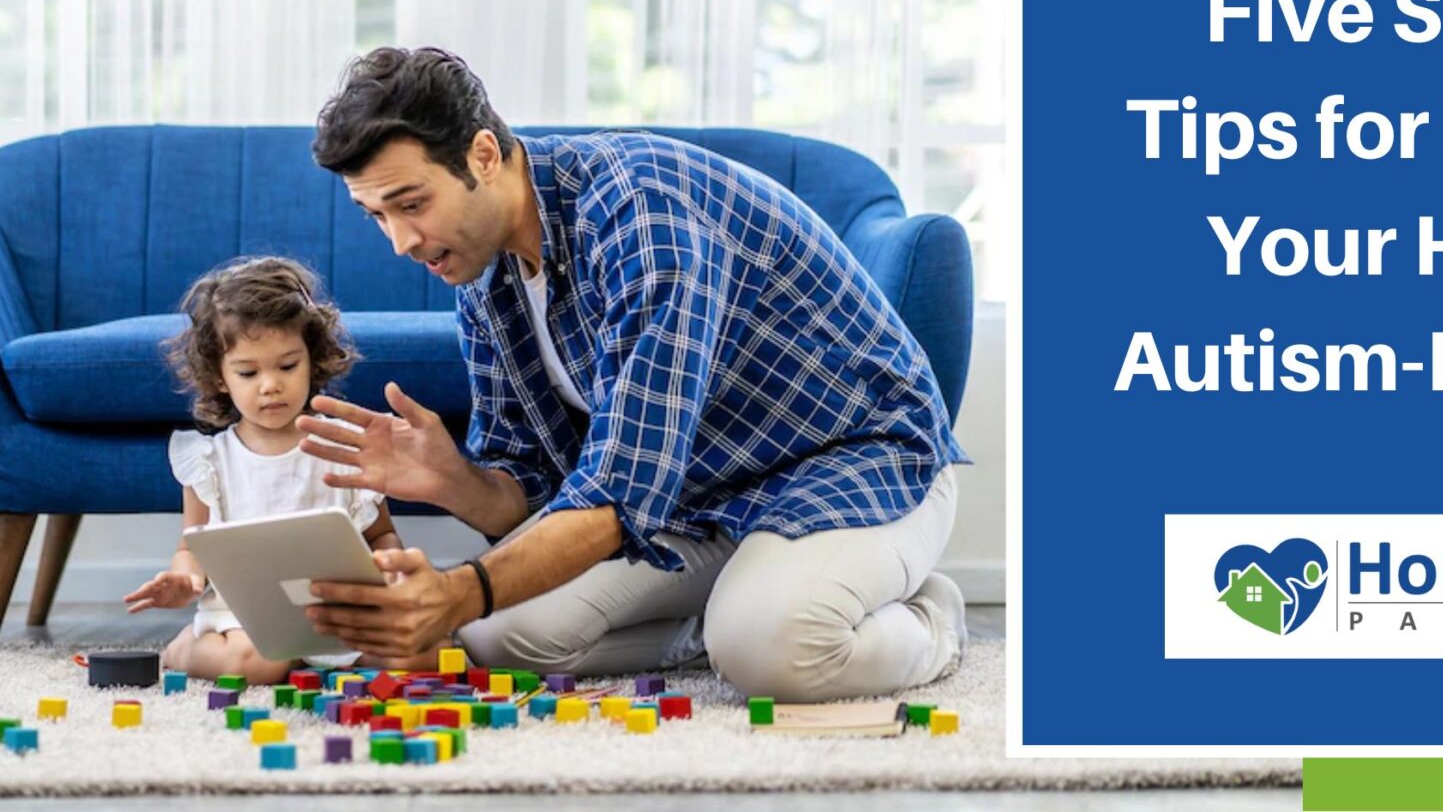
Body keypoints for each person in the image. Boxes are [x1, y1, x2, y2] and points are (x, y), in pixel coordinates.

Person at [295, 46, 970, 701]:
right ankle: (734, 616)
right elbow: (532, 488)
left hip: (856, 463)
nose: (402, 241)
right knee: (499, 635)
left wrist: (456, 590)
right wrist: (456, 483)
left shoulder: (639, 213)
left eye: (412, 204)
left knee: (770, 651)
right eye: (377, 215)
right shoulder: (481, 276)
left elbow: (616, 496)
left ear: (483, 155)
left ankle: (929, 620)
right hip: (695, 497)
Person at [125, 256, 445, 681]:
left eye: (288, 365)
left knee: (430, 655)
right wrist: (184, 580)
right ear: (220, 377)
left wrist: (390, 565)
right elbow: (192, 547)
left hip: (341, 611)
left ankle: (314, 660)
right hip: (246, 618)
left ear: (312, 361)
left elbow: (379, 532)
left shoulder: (345, 443)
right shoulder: (209, 461)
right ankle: (185, 650)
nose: (270, 384)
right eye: (247, 371)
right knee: (260, 663)